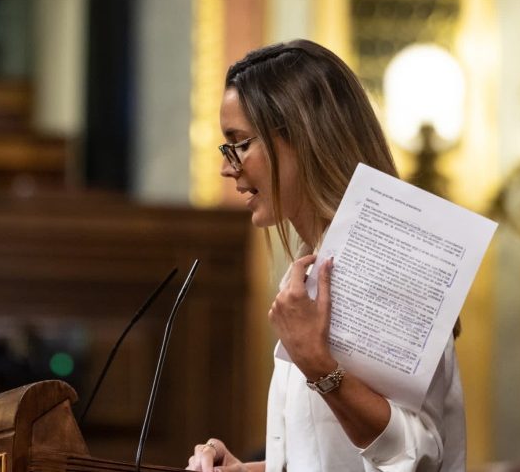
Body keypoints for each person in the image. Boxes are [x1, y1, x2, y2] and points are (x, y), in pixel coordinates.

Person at [185, 39, 465, 472]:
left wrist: (317, 364)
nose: (227, 167)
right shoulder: (312, 266)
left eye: (239, 144)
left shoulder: (386, 265)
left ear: (299, 139)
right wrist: (246, 470)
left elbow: (417, 456)